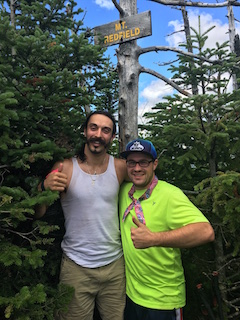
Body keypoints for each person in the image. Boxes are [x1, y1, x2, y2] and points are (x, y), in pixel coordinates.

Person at [35, 111, 128, 320]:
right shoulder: (64, 167)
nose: (98, 134)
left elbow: (146, 185)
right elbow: (38, 213)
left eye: (106, 130)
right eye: (93, 127)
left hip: (115, 266)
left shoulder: (121, 168)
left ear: (112, 137)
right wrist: (43, 187)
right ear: (85, 131)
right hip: (76, 267)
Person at [119, 138, 215, 320]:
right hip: (132, 296)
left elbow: (206, 231)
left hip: (163, 301)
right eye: (132, 162)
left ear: (155, 164)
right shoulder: (124, 191)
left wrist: (155, 239)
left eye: (144, 162)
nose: (137, 168)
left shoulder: (170, 195)